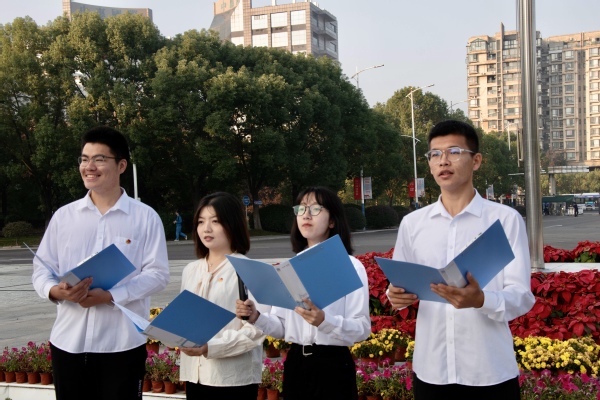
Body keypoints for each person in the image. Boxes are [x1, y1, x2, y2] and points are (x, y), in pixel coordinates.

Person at [387, 120, 535, 400]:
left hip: (489, 371)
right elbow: (400, 282)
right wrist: (395, 295)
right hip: (431, 370)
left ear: (476, 161)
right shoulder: (413, 224)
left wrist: (481, 300)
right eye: (435, 154)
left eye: (454, 152)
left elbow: (521, 296)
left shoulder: (504, 220)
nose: (443, 161)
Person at [31, 126, 170, 400]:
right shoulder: (64, 217)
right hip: (68, 342)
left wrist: (111, 296)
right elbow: (41, 269)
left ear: (121, 165)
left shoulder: (145, 217)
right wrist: (55, 291)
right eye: (84, 159)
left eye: (99, 159)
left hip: (122, 344)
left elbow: (158, 274)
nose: (89, 167)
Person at [236, 186, 371, 400]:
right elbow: (281, 328)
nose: (306, 215)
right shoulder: (288, 269)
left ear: (332, 221)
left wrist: (324, 321)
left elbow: (362, 328)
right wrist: (256, 317)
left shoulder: (349, 266)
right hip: (296, 363)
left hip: (333, 366)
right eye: (301, 209)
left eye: (315, 209)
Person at [179, 192, 266, 400]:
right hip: (195, 376)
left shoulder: (249, 270)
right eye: (201, 222)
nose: (206, 229)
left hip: (232, 379)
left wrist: (210, 347)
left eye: (215, 221)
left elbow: (255, 331)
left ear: (232, 224)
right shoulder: (191, 270)